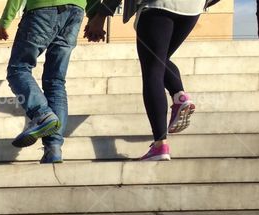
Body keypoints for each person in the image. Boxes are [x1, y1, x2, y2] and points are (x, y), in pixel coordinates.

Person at [84, 0, 219, 161]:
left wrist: (101, 15)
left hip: (158, 6)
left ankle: (160, 144)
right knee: (159, 60)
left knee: (152, 70)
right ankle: (179, 96)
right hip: (192, 9)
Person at [0, 0, 86, 164]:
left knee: (18, 69)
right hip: (76, 11)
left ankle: (42, 114)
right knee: (56, 81)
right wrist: (96, 15)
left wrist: (5, 20)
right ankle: (53, 149)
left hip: (43, 8)